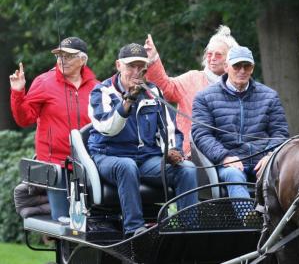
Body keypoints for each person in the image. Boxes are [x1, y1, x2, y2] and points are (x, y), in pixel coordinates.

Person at [87, 43, 198, 237]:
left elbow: (170, 129)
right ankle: (135, 230)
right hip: (108, 156)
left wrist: (174, 150)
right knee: (127, 166)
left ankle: (189, 231)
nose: (137, 72)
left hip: (146, 159)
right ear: (118, 65)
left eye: (141, 68)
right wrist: (128, 101)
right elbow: (107, 127)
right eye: (131, 66)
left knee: (187, 169)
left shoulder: (153, 92)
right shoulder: (101, 92)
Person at [9, 37, 99, 221]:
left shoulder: (97, 88)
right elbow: (25, 119)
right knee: (63, 221)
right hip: (56, 166)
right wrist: (18, 92)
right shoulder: (44, 82)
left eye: (68, 56)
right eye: (59, 55)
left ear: (83, 60)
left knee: (92, 221)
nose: (62, 60)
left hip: (90, 165)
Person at [192, 46, 289, 198]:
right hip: (228, 162)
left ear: (252, 68)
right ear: (226, 67)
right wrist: (225, 157)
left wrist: (270, 155)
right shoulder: (204, 97)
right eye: (237, 66)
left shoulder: (270, 96)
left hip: (263, 160)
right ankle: (247, 219)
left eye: (247, 66)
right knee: (234, 175)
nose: (242, 71)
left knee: (285, 173)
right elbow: (201, 134)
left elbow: (280, 132)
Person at [144, 25, 239, 157]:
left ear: (231, 58)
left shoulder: (239, 85)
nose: (212, 58)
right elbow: (165, 88)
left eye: (218, 55)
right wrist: (153, 59)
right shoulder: (192, 78)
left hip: (232, 155)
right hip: (192, 154)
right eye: (209, 54)